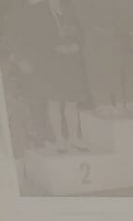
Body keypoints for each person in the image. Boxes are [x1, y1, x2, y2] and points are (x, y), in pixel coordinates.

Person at [4, 0, 86, 148]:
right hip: (44, 64)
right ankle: (53, 138)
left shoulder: (68, 10)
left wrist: (76, 46)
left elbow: (79, 33)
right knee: (50, 101)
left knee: (70, 102)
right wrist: (20, 59)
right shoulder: (32, 11)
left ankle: (72, 137)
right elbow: (31, 38)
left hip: (67, 64)